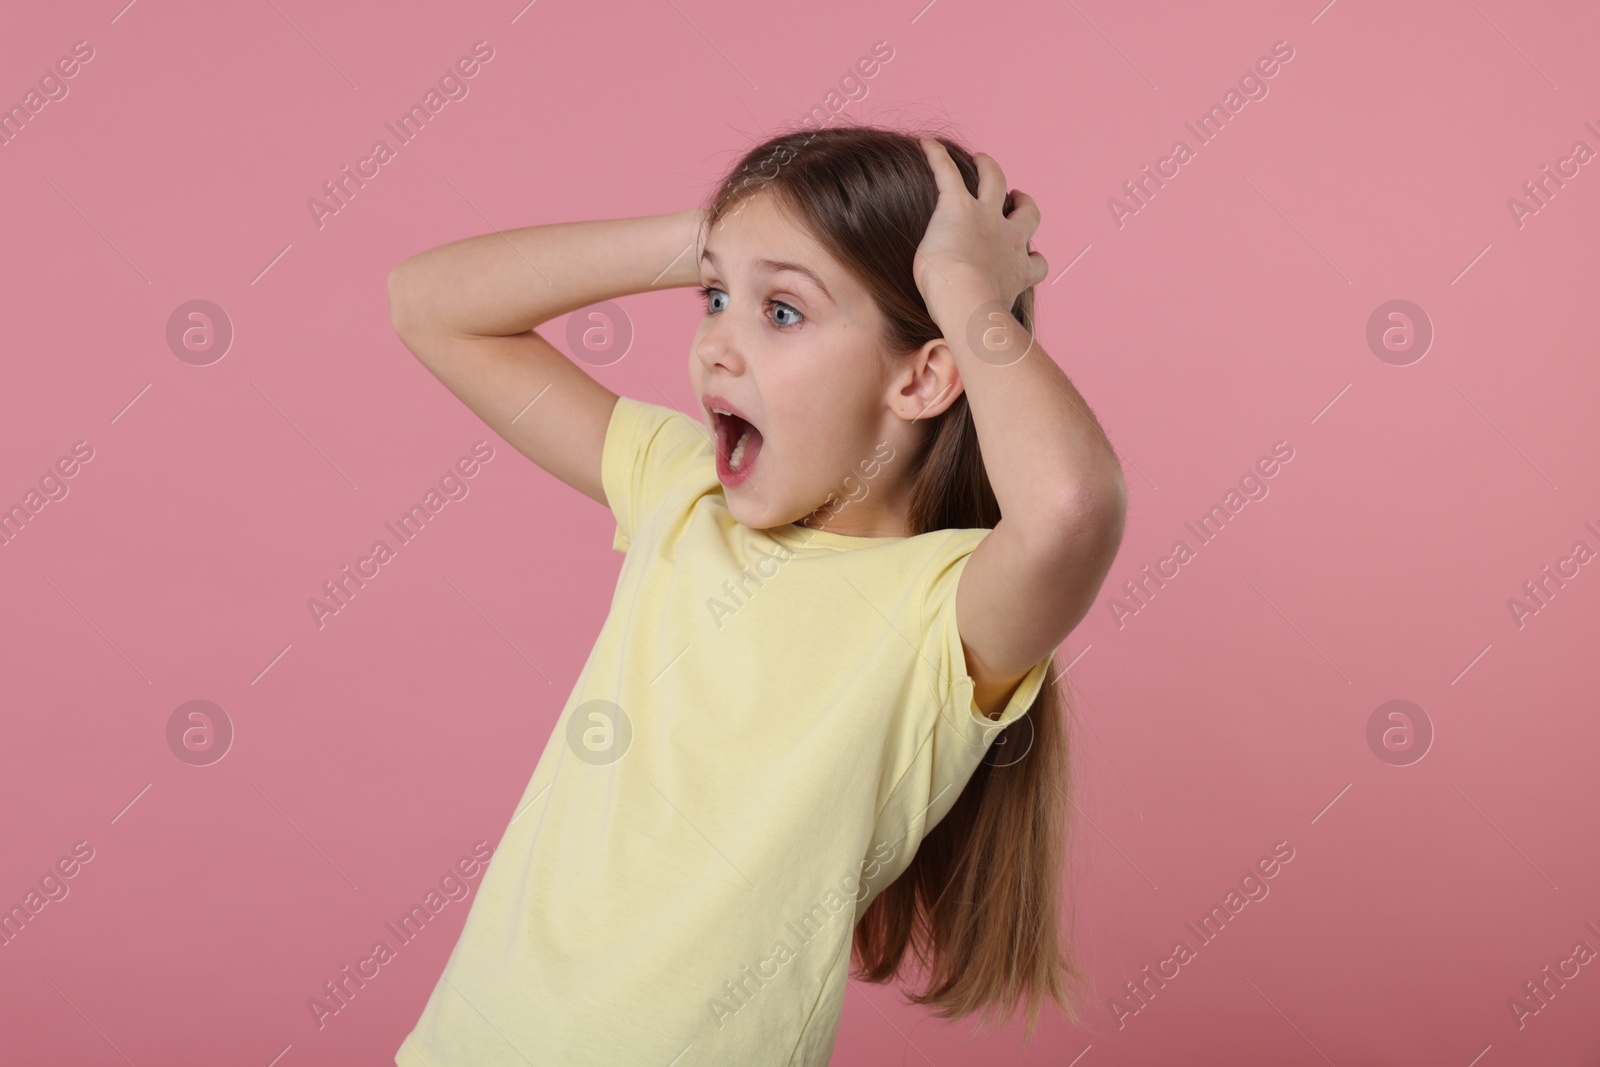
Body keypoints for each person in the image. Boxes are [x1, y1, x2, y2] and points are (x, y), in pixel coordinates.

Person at [385, 122, 1126, 1066]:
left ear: (925, 373)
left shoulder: (947, 612)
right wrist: (722, 236)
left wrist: (963, 288)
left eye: (781, 313)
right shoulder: (681, 489)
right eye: (713, 299)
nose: (714, 350)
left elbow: (1072, 505)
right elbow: (429, 303)